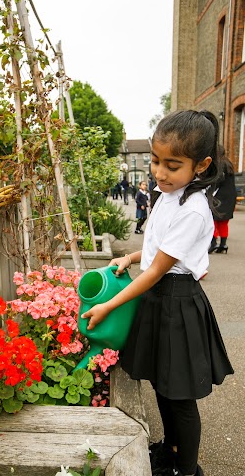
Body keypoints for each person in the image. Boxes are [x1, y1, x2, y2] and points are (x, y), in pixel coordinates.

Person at [81, 110, 234, 476]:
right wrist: (129, 257)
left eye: (172, 164)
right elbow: (155, 251)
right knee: (163, 386)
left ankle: (187, 468)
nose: (160, 172)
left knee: (180, 396)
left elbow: (156, 272)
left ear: (201, 165)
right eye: (155, 161)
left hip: (177, 303)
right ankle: (170, 448)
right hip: (160, 297)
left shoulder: (194, 210)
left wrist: (108, 305)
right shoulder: (169, 194)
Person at [208, 147, 237, 254]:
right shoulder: (229, 163)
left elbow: (218, 180)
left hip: (220, 196)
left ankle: (213, 243)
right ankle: (223, 244)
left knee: (214, 219)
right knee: (224, 221)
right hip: (230, 196)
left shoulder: (219, 164)